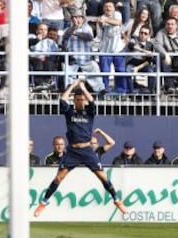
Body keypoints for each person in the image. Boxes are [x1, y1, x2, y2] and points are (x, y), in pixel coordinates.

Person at [33, 79, 127, 217]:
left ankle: (117, 201)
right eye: (77, 99)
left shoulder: (89, 113)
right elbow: (63, 100)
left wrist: (82, 87)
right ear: (74, 100)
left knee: (103, 177)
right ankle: (43, 202)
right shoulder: (70, 112)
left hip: (87, 150)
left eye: (82, 99)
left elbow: (92, 101)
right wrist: (72, 85)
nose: (80, 101)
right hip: (73, 151)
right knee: (59, 178)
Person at [61, 9, 105, 95]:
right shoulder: (67, 29)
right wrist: (73, 28)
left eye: (78, 17)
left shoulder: (87, 27)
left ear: (82, 18)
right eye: (74, 17)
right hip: (72, 59)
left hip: (85, 58)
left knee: (94, 67)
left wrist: (76, 33)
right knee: (66, 68)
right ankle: (69, 89)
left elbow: (89, 37)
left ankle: (100, 90)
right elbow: (65, 37)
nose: (76, 19)